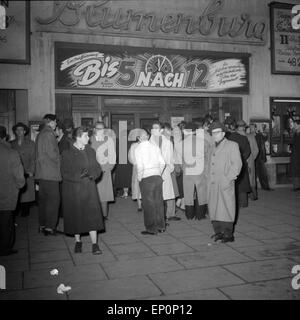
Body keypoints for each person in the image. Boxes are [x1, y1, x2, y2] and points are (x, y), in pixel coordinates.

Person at [61, 127, 104, 255]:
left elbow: (97, 168)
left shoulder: (90, 151)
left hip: (89, 188)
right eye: (85, 136)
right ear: (78, 137)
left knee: (92, 216)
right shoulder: (66, 153)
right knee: (76, 216)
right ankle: (78, 241)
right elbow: (64, 173)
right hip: (74, 189)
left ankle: (95, 244)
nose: (88, 138)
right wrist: (78, 177)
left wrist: (92, 176)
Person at [207, 122, 242, 243]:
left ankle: (228, 234)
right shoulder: (212, 147)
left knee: (226, 208)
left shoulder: (232, 145)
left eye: (217, 132)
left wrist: (228, 179)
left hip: (224, 183)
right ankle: (218, 232)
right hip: (212, 183)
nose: (214, 135)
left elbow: (237, 164)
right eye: (212, 133)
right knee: (214, 208)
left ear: (223, 133)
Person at [135, 129, 166, 235]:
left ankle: (151, 229)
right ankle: (161, 226)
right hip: (157, 177)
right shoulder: (155, 146)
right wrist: (158, 172)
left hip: (146, 177)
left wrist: (140, 178)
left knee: (148, 205)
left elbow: (140, 166)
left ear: (139, 138)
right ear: (147, 136)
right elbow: (163, 163)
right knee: (159, 203)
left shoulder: (138, 148)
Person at [0, 126, 25, 256]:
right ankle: (4, 248)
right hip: (6, 194)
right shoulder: (11, 153)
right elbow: (20, 177)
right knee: (5, 223)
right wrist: (20, 185)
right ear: (5, 137)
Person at [35, 114, 61, 235]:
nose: (56, 124)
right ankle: (50, 227)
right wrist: (62, 159)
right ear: (51, 122)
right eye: (55, 122)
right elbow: (53, 154)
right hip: (50, 173)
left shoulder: (40, 134)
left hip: (42, 173)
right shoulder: (49, 134)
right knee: (53, 201)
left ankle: (43, 224)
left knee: (44, 201)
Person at [181, 122, 211, 220]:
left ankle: (189, 215)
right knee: (201, 193)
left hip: (187, 171)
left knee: (188, 193)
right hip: (200, 171)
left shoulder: (182, 143)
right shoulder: (203, 142)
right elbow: (208, 158)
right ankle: (200, 215)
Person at [149, 121, 175, 223]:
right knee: (155, 197)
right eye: (153, 128)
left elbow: (171, 158)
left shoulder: (168, 142)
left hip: (165, 172)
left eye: (156, 128)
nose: (154, 130)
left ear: (161, 130)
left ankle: (163, 218)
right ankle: (157, 219)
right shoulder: (148, 143)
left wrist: (169, 168)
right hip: (152, 172)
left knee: (164, 196)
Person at [90, 121, 116, 220]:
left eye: (102, 129)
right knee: (93, 194)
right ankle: (94, 214)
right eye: (98, 129)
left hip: (104, 171)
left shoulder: (108, 140)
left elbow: (113, 156)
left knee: (104, 195)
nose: (101, 131)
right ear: (94, 129)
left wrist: (108, 168)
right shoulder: (90, 140)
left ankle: (104, 215)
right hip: (92, 172)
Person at [225, 118, 251, 208]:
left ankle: (234, 203)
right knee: (243, 184)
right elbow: (248, 151)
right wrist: (242, 159)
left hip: (232, 163)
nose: (243, 129)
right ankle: (243, 203)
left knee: (233, 183)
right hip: (242, 163)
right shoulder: (244, 138)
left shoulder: (230, 137)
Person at [11, 122, 36, 217]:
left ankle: (26, 210)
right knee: (17, 192)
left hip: (27, 171)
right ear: (15, 132)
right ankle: (16, 210)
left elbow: (34, 159)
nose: (19, 132)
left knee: (27, 193)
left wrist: (31, 172)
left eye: (21, 130)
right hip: (15, 172)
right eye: (17, 130)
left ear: (25, 131)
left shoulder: (31, 143)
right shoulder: (11, 144)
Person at [162, 123, 181, 221]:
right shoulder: (167, 142)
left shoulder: (160, 140)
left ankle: (167, 213)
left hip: (163, 169)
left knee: (167, 191)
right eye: (169, 130)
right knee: (170, 191)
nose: (171, 132)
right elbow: (170, 158)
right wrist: (173, 168)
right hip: (168, 169)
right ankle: (170, 213)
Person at [128, 135, 142, 212]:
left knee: (137, 185)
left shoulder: (134, 145)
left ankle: (139, 205)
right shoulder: (135, 145)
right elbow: (131, 157)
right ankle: (140, 204)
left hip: (137, 166)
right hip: (141, 167)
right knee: (139, 185)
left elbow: (130, 157)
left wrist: (135, 163)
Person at [246, 124, 259, 200]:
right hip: (250, 161)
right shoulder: (251, 137)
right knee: (251, 179)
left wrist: (252, 158)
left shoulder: (250, 136)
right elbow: (256, 150)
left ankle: (252, 195)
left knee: (249, 179)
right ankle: (253, 195)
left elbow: (256, 150)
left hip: (246, 161)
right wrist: (252, 158)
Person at [290, 119, 300, 191]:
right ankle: (296, 186)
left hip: (298, 155)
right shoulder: (295, 133)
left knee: (297, 170)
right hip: (294, 155)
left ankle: (297, 186)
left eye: (295, 124)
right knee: (295, 170)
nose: (294, 126)